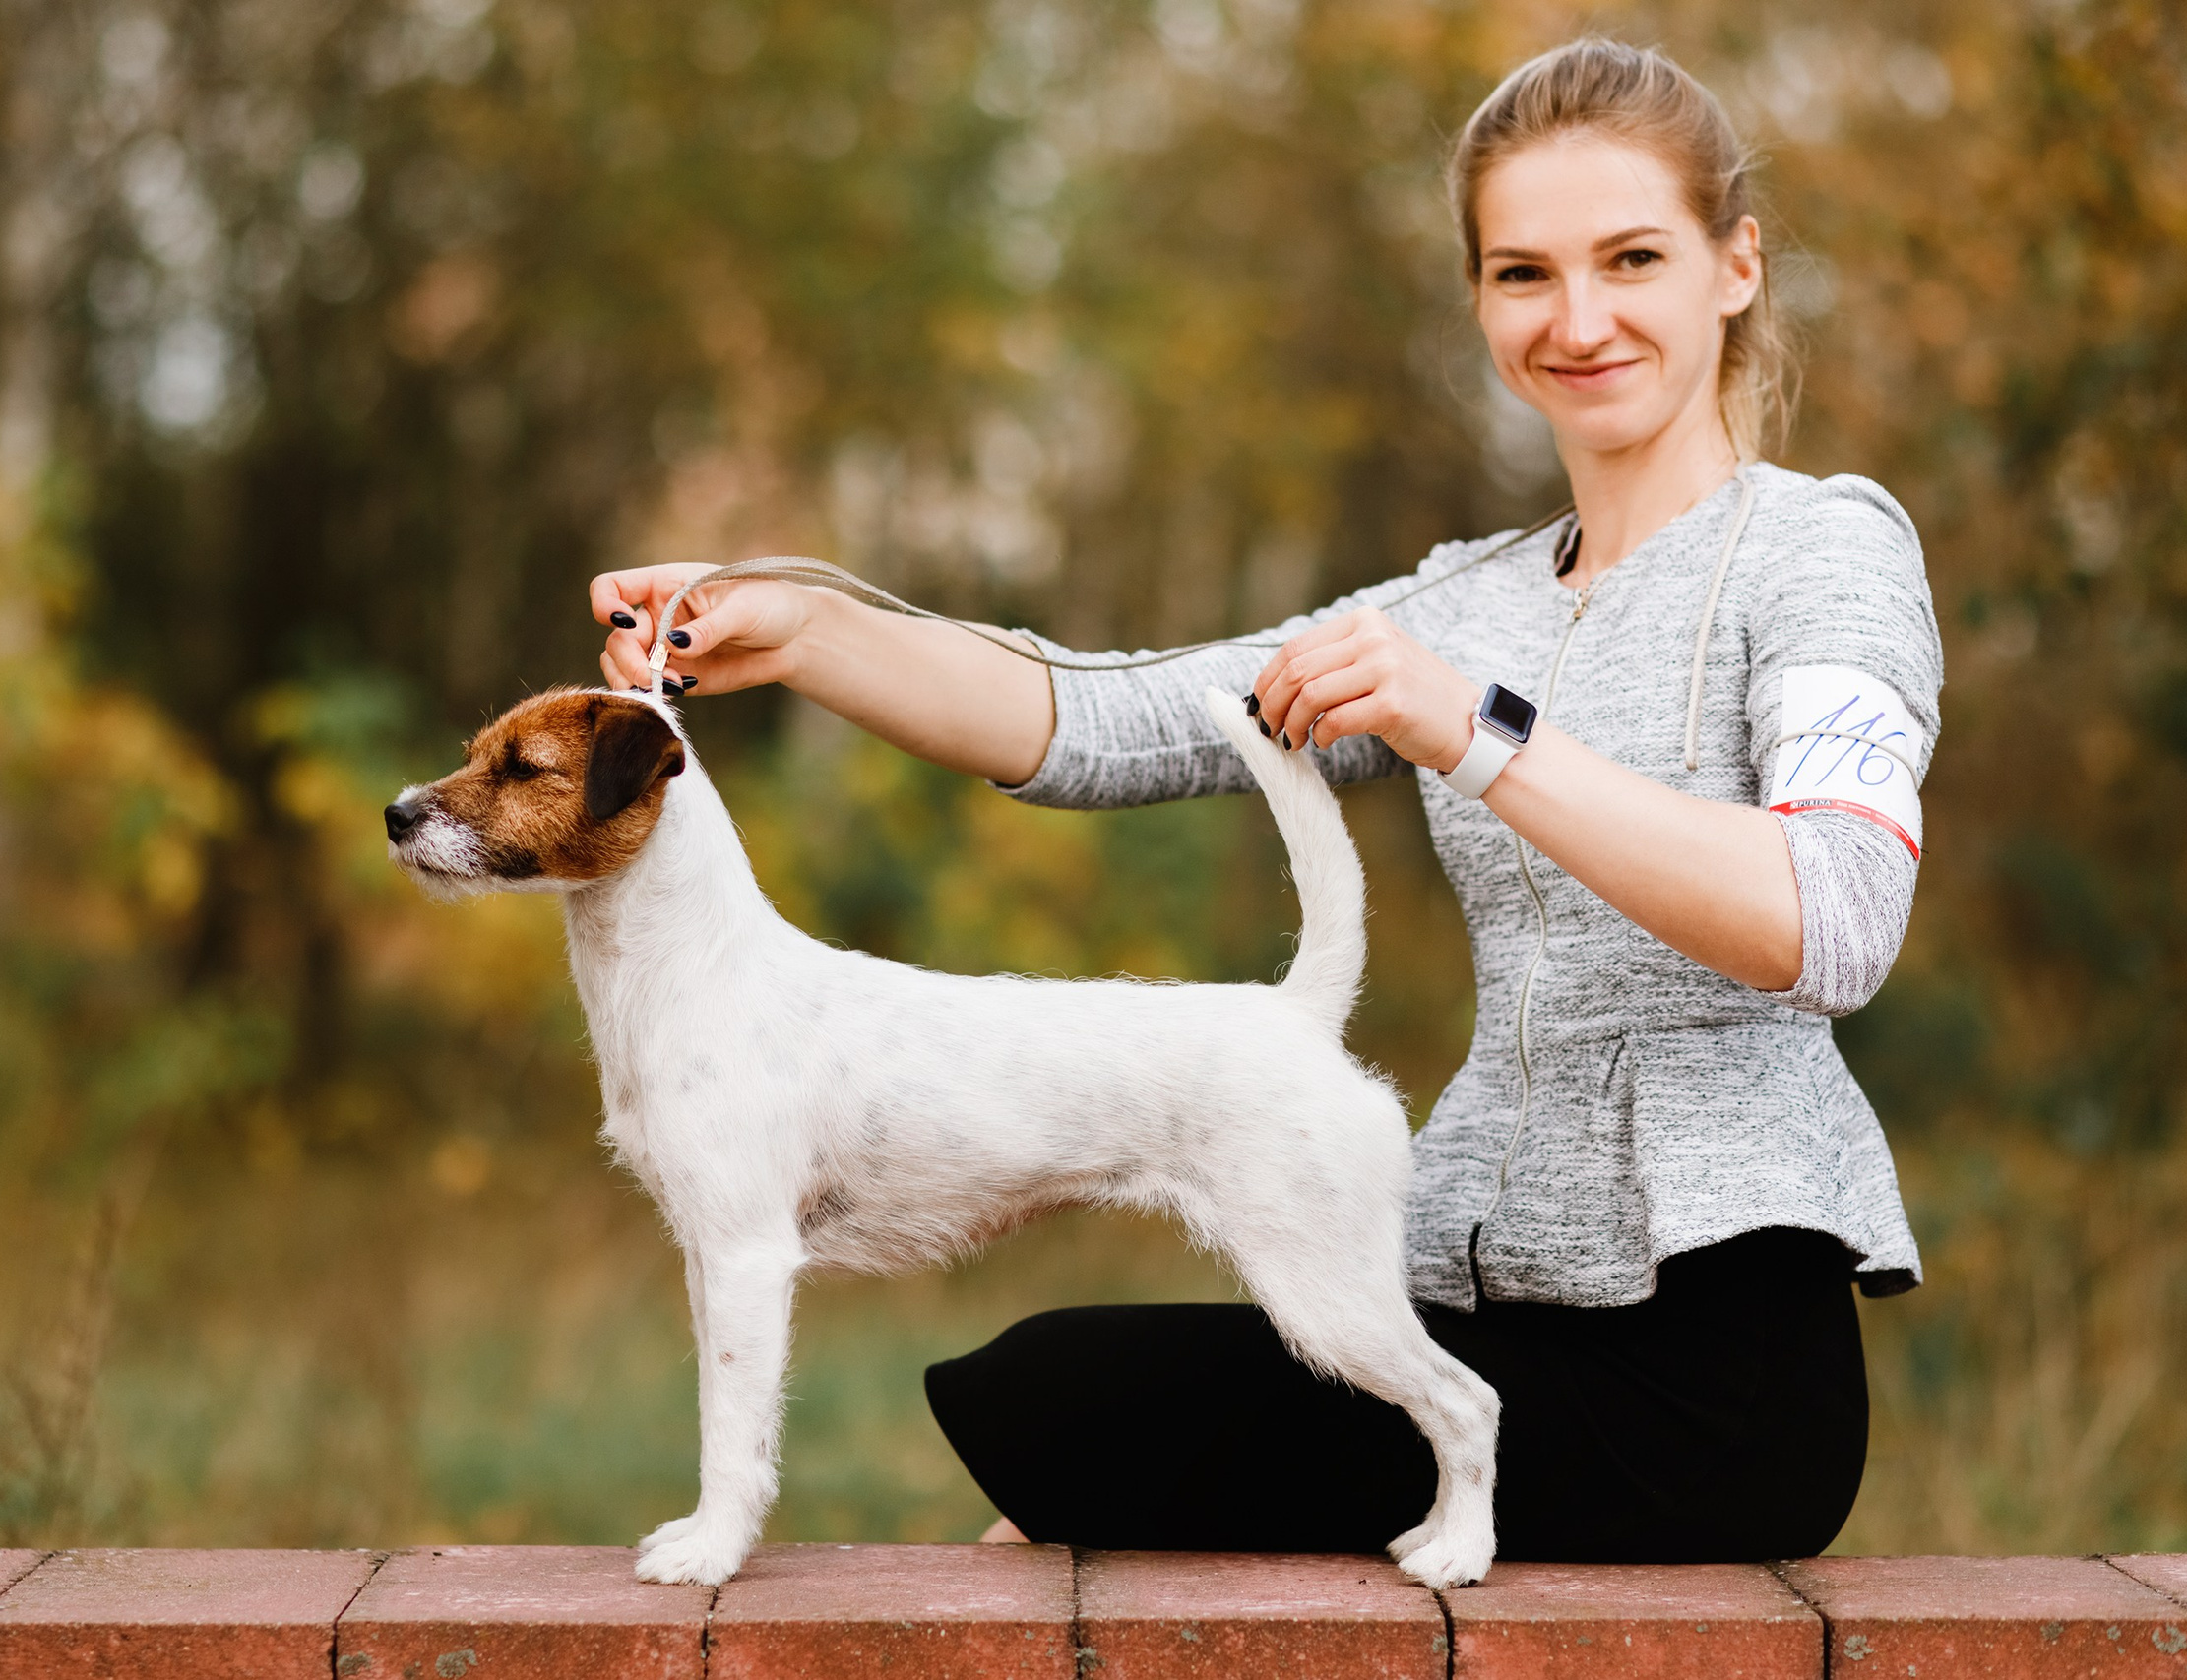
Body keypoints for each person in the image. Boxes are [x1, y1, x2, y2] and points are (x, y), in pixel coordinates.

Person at [588, 38, 1939, 1564]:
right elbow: (1112, 718)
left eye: (1632, 259)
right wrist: (814, 630)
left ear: (1735, 265)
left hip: (1713, 1365)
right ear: (1481, 298)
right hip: (1465, 1298)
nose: (1577, 320)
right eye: (1521, 274)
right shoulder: (1464, 599)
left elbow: (1832, 921)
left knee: (1068, 1460)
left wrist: (1471, 731)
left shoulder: (1827, 551)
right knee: (1045, 1407)